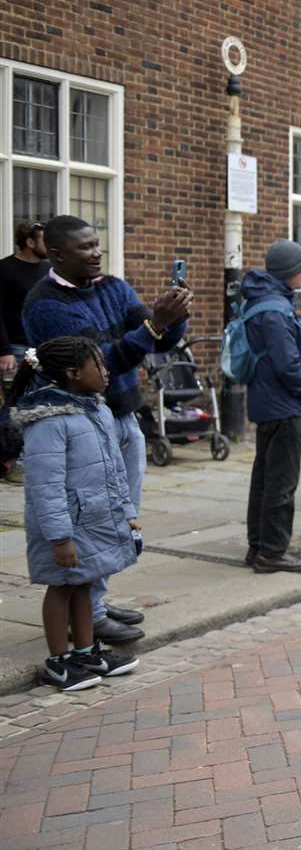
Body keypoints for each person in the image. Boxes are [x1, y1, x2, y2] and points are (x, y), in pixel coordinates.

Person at [24, 214, 190, 644]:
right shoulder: (45, 305)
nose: (97, 252)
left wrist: (175, 315)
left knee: (120, 518)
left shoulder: (113, 287)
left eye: (97, 244)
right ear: (57, 254)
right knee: (91, 520)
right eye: (85, 247)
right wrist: (154, 326)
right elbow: (99, 367)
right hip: (79, 426)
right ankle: (89, 615)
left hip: (121, 416)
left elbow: (159, 339)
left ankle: (96, 598)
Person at [14, 337, 140, 690]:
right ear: (73, 373)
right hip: (64, 526)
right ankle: (58, 661)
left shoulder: (97, 409)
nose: (106, 372)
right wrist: (59, 536)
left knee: (84, 581)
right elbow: (45, 484)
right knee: (60, 587)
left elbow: (115, 468)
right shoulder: (49, 420)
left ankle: (85, 651)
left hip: (92, 520)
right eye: (97, 366)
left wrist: (126, 511)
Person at [243, 240, 301, 573]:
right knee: (281, 481)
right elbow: (287, 363)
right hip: (283, 404)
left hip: (268, 401)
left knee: (264, 479)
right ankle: (273, 552)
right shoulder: (275, 309)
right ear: (290, 271)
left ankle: (258, 546)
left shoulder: (263, 300)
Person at [0, 221, 49, 373]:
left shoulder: (49, 269)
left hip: (47, 348)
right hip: (16, 349)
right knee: (17, 395)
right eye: (45, 240)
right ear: (30, 242)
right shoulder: (4, 268)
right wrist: (4, 351)